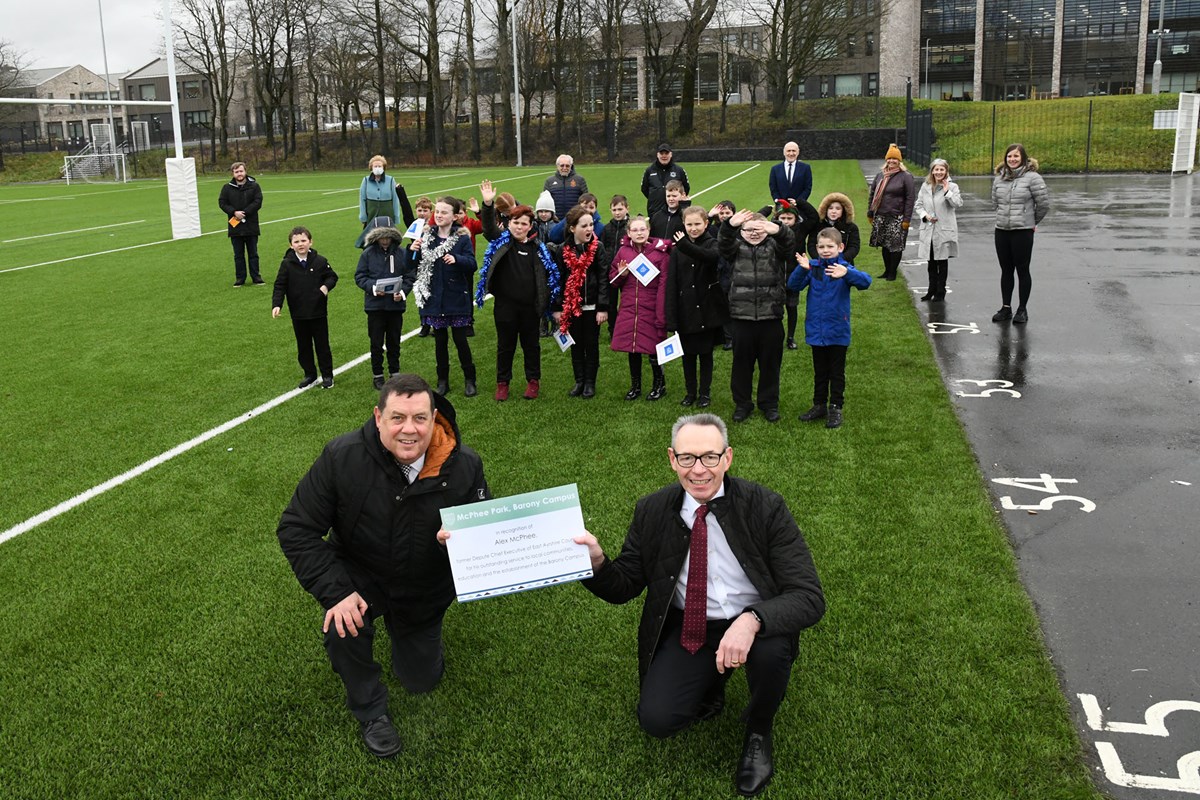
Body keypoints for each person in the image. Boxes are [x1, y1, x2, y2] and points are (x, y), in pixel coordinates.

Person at [574, 413, 824, 798]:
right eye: (688, 458)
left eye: (710, 457)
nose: (699, 470)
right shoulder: (652, 510)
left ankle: (759, 730)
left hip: (757, 623)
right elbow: (623, 586)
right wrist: (595, 563)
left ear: (727, 458)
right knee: (657, 720)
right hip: (692, 626)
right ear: (672, 459)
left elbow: (808, 596)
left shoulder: (765, 506)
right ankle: (712, 682)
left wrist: (754, 619)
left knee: (772, 652)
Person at [278, 374, 490, 759]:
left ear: (435, 417)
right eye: (397, 418)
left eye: (420, 418)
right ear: (378, 418)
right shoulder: (342, 457)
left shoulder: (465, 465)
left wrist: (457, 543)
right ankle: (371, 710)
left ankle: (414, 638)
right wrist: (338, 592)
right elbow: (296, 527)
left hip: (424, 585)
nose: (409, 429)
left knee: (422, 681)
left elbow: (485, 535)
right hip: (362, 575)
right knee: (342, 627)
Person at [477, 180, 560, 401]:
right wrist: (487, 204)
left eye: (524, 223)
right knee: (505, 346)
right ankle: (502, 383)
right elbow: (488, 228)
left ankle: (533, 381)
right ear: (509, 223)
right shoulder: (501, 242)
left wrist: (550, 305)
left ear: (530, 226)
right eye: (516, 222)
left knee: (531, 346)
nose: (519, 227)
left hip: (530, 308)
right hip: (505, 307)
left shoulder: (537, 249)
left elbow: (550, 278)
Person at [787, 227, 872, 429]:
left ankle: (835, 407)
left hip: (837, 330)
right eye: (822, 247)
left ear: (840, 247)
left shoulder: (843, 267)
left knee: (836, 372)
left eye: (830, 246)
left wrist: (847, 272)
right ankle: (819, 405)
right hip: (817, 330)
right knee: (820, 371)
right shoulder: (814, 267)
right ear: (816, 248)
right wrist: (803, 268)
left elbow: (865, 282)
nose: (825, 250)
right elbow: (793, 285)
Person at [718, 210, 795, 423]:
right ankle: (742, 404)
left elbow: (790, 243)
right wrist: (729, 226)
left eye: (758, 229)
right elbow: (723, 243)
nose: (753, 233)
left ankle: (769, 403)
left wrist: (778, 230)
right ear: (741, 231)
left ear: (767, 231)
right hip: (741, 318)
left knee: (770, 364)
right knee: (741, 365)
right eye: (749, 230)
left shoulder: (775, 247)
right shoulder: (735, 248)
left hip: (771, 317)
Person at [410, 197, 478, 397]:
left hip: (455, 297)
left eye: (444, 212)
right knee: (440, 342)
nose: (439, 215)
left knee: (460, 340)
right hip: (434, 298)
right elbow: (412, 264)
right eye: (437, 212)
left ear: (455, 216)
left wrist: (457, 259)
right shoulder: (426, 237)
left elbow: (472, 264)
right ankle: (443, 381)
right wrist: (410, 250)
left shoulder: (462, 238)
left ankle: (470, 379)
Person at [665, 206, 728, 408]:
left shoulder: (712, 244)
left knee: (705, 354)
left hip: (707, 310)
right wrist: (672, 317)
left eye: (697, 224)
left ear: (706, 224)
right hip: (686, 311)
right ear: (683, 224)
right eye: (689, 224)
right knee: (688, 356)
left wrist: (683, 244)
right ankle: (690, 391)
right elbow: (672, 283)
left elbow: (708, 257)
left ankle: (705, 394)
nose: (693, 228)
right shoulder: (677, 250)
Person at [550, 205, 610, 399]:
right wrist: (558, 308)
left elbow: (603, 278)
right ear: (572, 228)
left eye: (591, 225)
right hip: (571, 307)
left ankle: (590, 383)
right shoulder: (563, 250)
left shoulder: (598, 247)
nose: (589, 229)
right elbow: (558, 280)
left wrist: (602, 307)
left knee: (591, 345)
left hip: (592, 306)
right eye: (584, 225)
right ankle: (579, 380)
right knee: (576, 345)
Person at [611, 216, 672, 401]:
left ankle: (659, 384)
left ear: (648, 231)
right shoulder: (623, 252)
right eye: (635, 230)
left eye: (642, 229)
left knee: (654, 348)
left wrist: (661, 314)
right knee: (632, 348)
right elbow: (613, 280)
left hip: (651, 306)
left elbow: (664, 286)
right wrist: (622, 273)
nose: (639, 233)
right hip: (630, 307)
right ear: (628, 233)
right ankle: (635, 386)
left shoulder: (660, 254)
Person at [272, 226, 338, 389]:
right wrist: (277, 304)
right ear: (291, 245)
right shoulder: (286, 264)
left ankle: (327, 375)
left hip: (318, 312)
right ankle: (310, 374)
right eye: (296, 241)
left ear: (310, 242)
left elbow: (332, 277)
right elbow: (280, 285)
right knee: (304, 346)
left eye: (303, 240)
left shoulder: (320, 261)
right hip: (298, 313)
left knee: (322, 345)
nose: (300, 244)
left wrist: (325, 287)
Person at [991, 143, 1050, 324]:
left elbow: (1043, 205)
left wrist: (1030, 222)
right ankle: (1006, 307)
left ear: (1023, 158)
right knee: (1006, 270)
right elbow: (995, 202)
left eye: (1016, 156)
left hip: (1022, 231)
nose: (1012, 159)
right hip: (1002, 230)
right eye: (1009, 156)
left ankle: (1022, 309)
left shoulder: (1033, 178)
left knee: (1022, 270)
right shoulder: (999, 178)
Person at [355, 219, 413, 390]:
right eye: (382, 237)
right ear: (375, 237)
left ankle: (395, 372)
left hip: (395, 306)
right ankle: (377, 374)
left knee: (394, 340)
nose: (385, 240)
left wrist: (402, 292)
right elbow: (360, 276)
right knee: (376, 341)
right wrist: (373, 288)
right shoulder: (367, 254)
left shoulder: (402, 253)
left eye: (388, 237)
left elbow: (410, 275)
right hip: (375, 306)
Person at [766, 199, 821, 351]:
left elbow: (814, 217)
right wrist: (765, 210)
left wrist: (801, 203)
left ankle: (790, 337)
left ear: (796, 219)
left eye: (789, 218)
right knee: (774, 309)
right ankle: (775, 337)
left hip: (794, 275)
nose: (786, 221)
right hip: (775, 275)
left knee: (792, 306)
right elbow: (756, 221)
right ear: (777, 218)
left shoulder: (801, 230)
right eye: (783, 218)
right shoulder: (771, 231)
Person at [913, 159, 963, 303]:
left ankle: (941, 291)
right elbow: (919, 205)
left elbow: (957, 203)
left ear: (946, 171)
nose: (939, 172)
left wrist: (947, 191)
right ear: (932, 171)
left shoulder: (952, 186)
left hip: (944, 230)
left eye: (942, 170)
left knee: (942, 261)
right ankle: (931, 290)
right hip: (929, 229)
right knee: (931, 262)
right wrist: (925, 216)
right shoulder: (926, 186)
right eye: (936, 169)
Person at [866, 144, 916, 282]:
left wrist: (906, 219)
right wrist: (870, 212)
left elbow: (910, 199)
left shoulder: (906, 176)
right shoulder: (880, 175)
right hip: (881, 215)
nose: (892, 161)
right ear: (886, 160)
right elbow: (872, 194)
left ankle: (893, 273)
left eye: (895, 159)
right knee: (884, 244)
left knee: (895, 246)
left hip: (897, 216)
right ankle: (887, 271)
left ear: (899, 160)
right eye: (889, 159)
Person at [218, 161, 264, 286]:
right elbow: (222, 203)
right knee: (238, 255)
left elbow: (258, 201)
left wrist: (245, 212)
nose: (239, 173)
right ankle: (240, 278)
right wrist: (234, 212)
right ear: (233, 173)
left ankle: (256, 277)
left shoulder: (254, 186)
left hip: (251, 225)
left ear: (245, 171)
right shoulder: (227, 188)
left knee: (253, 253)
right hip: (235, 226)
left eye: (241, 171)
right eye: (236, 171)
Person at [355, 155, 401, 248]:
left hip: (387, 214)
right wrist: (363, 217)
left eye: (379, 166)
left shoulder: (391, 180)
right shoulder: (366, 181)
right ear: (371, 167)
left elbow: (395, 200)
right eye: (375, 166)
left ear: (384, 167)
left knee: (389, 241)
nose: (377, 168)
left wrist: (396, 217)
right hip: (371, 215)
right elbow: (362, 199)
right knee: (370, 243)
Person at [806, 193, 860, 265]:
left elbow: (854, 247)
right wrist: (819, 259)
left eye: (838, 209)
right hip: (821, 264)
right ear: (825, 209)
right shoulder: (817, 225)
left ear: (843, 210)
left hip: (844, 264)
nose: (833, 211)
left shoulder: (851, 227)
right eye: (830, 208)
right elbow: (811, 245)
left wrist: (840, 260)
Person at [642, 143, 690, 218]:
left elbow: (686, 188)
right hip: (655, 211)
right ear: (657, 155)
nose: (664, 156)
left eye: (666, 153)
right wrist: (656, 197)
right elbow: (644, 189)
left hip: (675, 212)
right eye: (661, 153)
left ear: (671, 154)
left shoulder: (679, 170)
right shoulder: (649, 170)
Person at [543, 154, 588, 219]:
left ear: (571, 166)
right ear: (557, 166)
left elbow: (586, 200)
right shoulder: (549, 181)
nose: (564, 168)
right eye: (562, 165)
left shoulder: (580, 180)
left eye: (567, 166)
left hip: (574, 219)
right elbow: (545, 201)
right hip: (555, 220)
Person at [767, 141, 813, 205]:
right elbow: (773, 188)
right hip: (781, 208)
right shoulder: (775, 169)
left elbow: (807, 188)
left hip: (800, 207)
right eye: (788, 151)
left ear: (798, 152)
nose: (791, 153)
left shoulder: (805, 168)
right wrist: (780, 202)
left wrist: (798, 202)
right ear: (784, 152)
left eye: (794, 151)